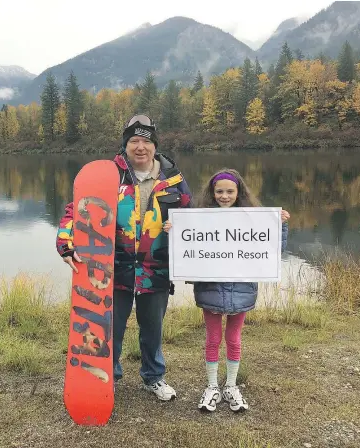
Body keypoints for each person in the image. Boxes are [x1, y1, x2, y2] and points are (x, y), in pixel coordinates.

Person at [56, 114, 193, 401]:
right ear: (125, 145)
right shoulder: (107, 175)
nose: (140, 147)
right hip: (111, 268)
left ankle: (153, 378)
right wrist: (66, 243)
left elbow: (192, 216)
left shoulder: (173, 179)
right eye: (134, 141)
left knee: (153, 331)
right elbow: (76, 210)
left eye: (146, 141)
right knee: (109, 330)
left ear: (155, 145)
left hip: (156, 269)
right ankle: (109, 379)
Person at [164, 168, 289, 412]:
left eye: (229, 191)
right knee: (212, 339)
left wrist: (280, 226)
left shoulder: (254, 219)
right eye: (219, 191)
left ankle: (231, 385)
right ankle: (212, 386)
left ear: (238, 192)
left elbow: (273, 251)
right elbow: (185, 254)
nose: (224, 196)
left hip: (241, 292)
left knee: (234, 339)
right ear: (212, 193)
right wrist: (173, 232)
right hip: (210, 290)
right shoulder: (199, 219)